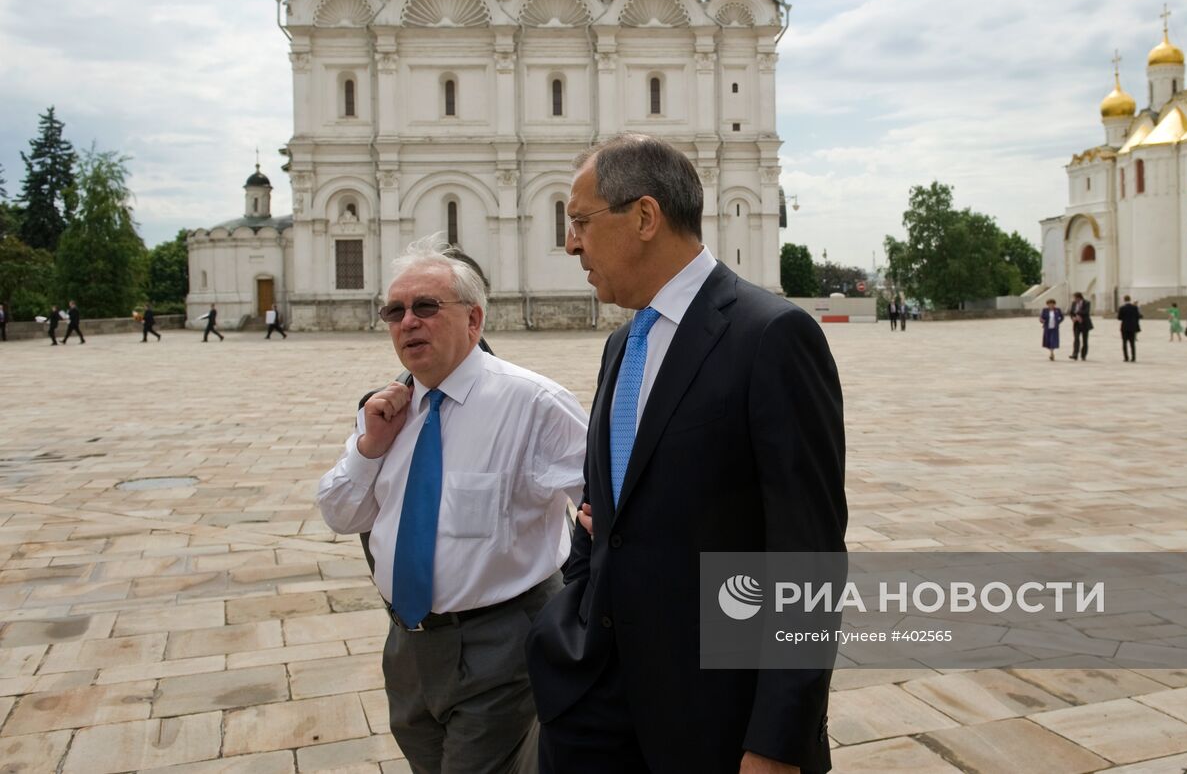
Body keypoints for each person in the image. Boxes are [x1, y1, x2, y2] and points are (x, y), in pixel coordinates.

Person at [528, 134, 846, 774]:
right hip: (593, 711)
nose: (570, 244)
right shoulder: (622, 347)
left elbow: (806, 555)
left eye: (580, 222)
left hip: (714, 722)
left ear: (644, 217)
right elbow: (605, 506)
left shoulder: (771, 336)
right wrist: (577, 617)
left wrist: (777, 741)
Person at [318, 235, 587, 774]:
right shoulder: (387, 409)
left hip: (500, 644)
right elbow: (341, 515)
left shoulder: (533, 403)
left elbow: (605, 512)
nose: (407, 322)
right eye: (394, 311)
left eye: (426, 307)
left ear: (474, 319)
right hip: (409, 648)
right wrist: (369, 447)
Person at [1068, 291, 1093, 360]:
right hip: (1076, 324)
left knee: (1085, 340)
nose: (1074, 300)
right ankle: (1075, 354)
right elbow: (1071, 312)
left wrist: (1078, 314)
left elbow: (1086, 312)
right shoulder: (1074, 303)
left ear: (1079, 298)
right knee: (1076, 339)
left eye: (1075, 298)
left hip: (1085, 323)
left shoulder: (1086, 303)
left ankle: (1083, 355)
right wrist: (1073, 317)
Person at [1118, 294, 1141, 362]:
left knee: (1124, 343)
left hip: (1124, 327)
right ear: (1130, 299)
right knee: (1132, 343)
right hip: (1132, 327)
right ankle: (1133, 357)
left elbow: (1119, 318)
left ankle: (1126, 357)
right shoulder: (1135, 308)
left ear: (1124, 300)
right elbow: (1138, 316)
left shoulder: (1122, 308)